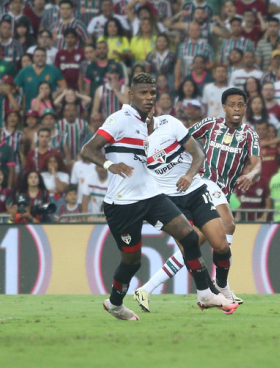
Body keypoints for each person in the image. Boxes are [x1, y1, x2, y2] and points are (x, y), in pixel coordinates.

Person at [79, 72, 237, 321]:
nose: (149, 97)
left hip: (151, 196)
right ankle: (115, 304)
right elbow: (88, 149)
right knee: (131, 262)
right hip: (122, 204)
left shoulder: (147, 123)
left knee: (189, 236)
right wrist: (111, 166)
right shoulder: (120, 119)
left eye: (152, 93)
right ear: (130, 94)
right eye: (143, 92)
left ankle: (205, 293)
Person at [140, 87, 261, 305]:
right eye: (231, 104)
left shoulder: (249, 135)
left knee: (193, 244)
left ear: (245, 107)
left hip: (222, 192)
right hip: (203, 183)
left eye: (240, 104)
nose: (236, 108)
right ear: (224, 107)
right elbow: (182, 140)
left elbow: (256, 163)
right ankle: (221, 285)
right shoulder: (210, 124)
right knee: (229, 224)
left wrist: (250, 174)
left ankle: (148, 288)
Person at [132, 107, 236, 312]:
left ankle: (220, 286)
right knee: (190, 248)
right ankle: (208, 294)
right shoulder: (135, 143)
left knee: (221, 244)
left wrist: (189, 175)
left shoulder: (170, 123)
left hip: (196, 190)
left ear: (153, 110)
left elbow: (198, 153)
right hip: (169, 202)